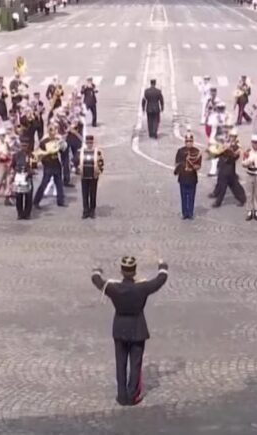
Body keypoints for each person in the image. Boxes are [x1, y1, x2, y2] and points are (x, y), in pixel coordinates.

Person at [90, 256, 169, 406]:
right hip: (137, 328)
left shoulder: (113, 288)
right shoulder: (142, 287)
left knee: (120, 363)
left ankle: (121, 395)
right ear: (134, 271)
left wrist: (97, 270)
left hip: (119, 328)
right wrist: (162, 266)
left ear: (121, 271)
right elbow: (160, 280)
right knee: (135, 364)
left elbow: (97, 281)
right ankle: (133, 395)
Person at [174, 132, 202, 220]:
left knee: (191, 196)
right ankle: (184, 213)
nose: (189, 143)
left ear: (192, 142)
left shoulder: (196, 152)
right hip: (183, 176)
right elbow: (176, 163)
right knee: (183, 196)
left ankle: (190, 212)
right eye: (187, 141)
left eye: (190, 141)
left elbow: (199, 165)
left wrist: (194, 167)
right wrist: (181, 166)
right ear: (185, 142)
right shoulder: (180, 151)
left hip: (192, 177)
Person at [241, 135, 257, 221]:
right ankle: (249, 210)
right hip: (250, 174)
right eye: (254, 142)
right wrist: (249, 161)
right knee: (249, 193)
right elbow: (243, 163)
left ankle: (256, 210)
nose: (255, 144)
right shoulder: (248, 152)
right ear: (252, 142)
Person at [79, 135, 104, 219]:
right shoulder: (81, 152)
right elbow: (75, 161)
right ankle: (85, 211)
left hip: (93, 176)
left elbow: (101, 162)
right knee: (85, 194)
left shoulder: (97, 152)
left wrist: (99, 171)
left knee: (93, 194)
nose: (89, 144)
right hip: (84, 176)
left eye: (90, 142)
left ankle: (92, 210)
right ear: (86, 143)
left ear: (92, 143)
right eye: (88, 142)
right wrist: (77, 169)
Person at [11, 141, 37, 219]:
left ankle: (27, 213)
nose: (24, 148)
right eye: (23, 146)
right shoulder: (16, 155)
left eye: (26, 146)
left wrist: (31, 171)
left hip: (27, 177)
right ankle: (20, 213)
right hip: (19, 177)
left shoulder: (31, 155)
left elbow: (34, 166)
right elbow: (13, 165)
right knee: (19, 196)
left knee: (28, 196)